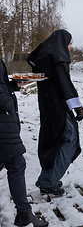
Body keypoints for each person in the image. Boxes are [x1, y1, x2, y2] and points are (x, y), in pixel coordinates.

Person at [27, 29, 83, 196]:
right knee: (71, 140)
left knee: (53, 142)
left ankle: (48, 178)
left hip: (46, 107)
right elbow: (64, 83)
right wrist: (77, 106)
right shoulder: (59, 58)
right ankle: (48, 181)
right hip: (59, 108)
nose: (69, 47)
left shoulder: (44, 56)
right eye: (69, 44)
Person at [0, 58, 48, 226]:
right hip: (3, 123)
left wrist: (14, 85)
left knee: (13, 163)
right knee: (16, 163)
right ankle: (24, 214)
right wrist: (9, 101)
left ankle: (24, 214)